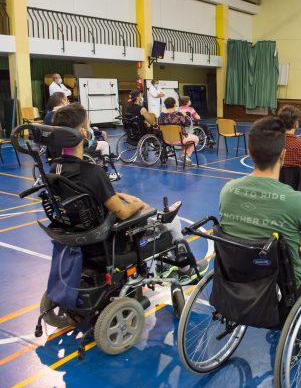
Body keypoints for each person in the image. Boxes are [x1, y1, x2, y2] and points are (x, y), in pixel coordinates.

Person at [50, 104, 208, 282]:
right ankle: (184, 270)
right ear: (82, 133)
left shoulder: (54, 169)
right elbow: (124, 213)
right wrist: (139, 204)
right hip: (113, 242)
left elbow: (88, 196)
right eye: (87, 126)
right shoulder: (92, 172)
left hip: (80, 240)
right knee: (173, 221)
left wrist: (121, 196)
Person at [219, 116, 301, 293]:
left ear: (250, 153)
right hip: (282, 288)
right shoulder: (298, 201)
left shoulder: (227, 190)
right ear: (283, 155)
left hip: (238, 279)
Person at [158, 97, 200, 166]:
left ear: (165, 105)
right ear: (174, 104)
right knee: (196, 138)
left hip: (166, 140)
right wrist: (185, 115)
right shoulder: (179, 115)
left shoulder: (161, 115)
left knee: (186, 138)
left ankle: (185, 156)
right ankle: (185, 155)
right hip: (179, 139)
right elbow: (188, 124)